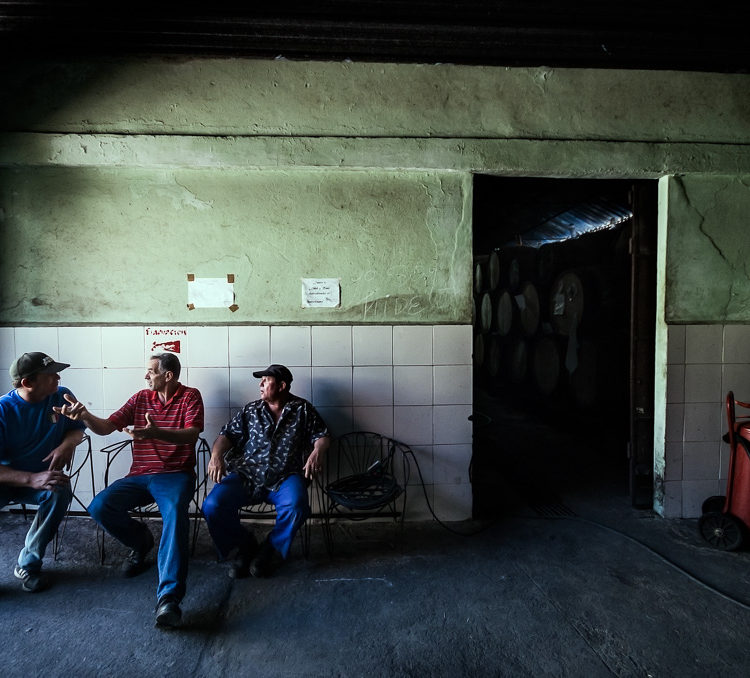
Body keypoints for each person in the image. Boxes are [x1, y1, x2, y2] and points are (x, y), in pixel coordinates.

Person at [55, 352, 203, 628]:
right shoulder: (140, 398)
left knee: (175, 515)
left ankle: (169, 597)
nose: (146, 375)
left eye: (151, 371)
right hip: (140, 476)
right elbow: (107, 427)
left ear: (167, 375)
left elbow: (192, 434)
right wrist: (84, 415)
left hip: (175, 475)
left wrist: (155, 432)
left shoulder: (190, 396)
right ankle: (141, 542)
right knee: (99, 507)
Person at [203, 364, 330, 578]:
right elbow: (226, 435)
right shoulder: (251, 410)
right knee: (213, 506)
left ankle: (271, 547)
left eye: (266, 380)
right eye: (260, 380)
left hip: (285, 475)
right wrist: (216, 455)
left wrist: (318, 450)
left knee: (297, 506)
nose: (261, 384)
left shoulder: (302, 409)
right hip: (247, 474)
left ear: (281, 385)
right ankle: (244, 545)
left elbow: (322, 435)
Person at [0, 352, 85, 593]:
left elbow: (77, 428)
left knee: (59, 490)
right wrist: (30, 478)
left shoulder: (60, 395)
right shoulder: (3, 410)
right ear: (27, 383)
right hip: (7, 478)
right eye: (50, 375)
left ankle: (28, 564)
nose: (58, 377)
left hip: (42, 478)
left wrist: (67, 444)